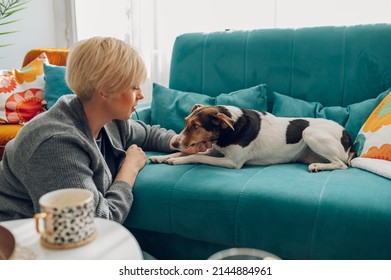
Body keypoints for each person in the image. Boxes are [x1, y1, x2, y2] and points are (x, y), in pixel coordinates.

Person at [0, 37, 211, 222]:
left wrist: (181, 143)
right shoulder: (57, 145)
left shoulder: (106, 119)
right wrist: (129, 169)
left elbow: (146, 133)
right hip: (18, 239)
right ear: (104, 90)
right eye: (134, 87)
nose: (141, 96)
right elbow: (99, 222)